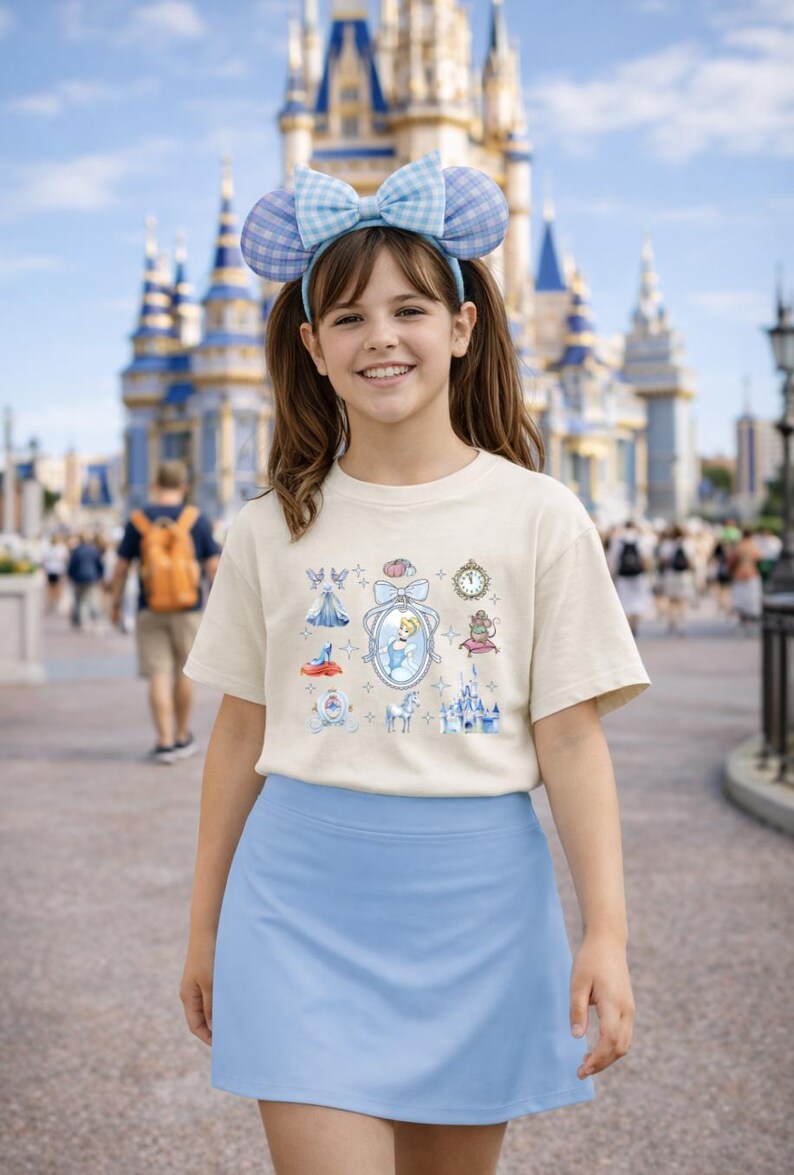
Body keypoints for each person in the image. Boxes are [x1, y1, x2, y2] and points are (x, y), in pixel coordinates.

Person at [178, 152, 651, 1174]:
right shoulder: (267, 528)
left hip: (476, 912)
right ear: (308, 345)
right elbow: (239, 734)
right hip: (295, 905)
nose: (380, 338)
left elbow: (568, 737)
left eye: (409, 310)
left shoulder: (539, 514)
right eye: (345, 317)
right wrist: (203, 926)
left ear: (462, 326)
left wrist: (603, 932)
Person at [110, 460, 220, 764]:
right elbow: (213, 567)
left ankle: (164, 741)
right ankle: (183, 736)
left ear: (156, 484)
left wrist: (116, 604)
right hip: (189, 609)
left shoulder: (138, 520)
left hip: (150, 608)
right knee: (184, 674)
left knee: (158, 675)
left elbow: (121, 568)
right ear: (184, 487)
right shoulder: (195, 520)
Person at [606, 520, 654, 637]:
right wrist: (649, 573)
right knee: (637, 600)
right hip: (638, 575)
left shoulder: (617, 541)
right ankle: (634, 624)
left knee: (625, 601)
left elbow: (613, 560)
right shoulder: (641, 540)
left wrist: (613, 575)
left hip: (623, 575)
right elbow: (646, 559)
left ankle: (627, 626)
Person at [657, 523, 695, 636]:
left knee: (672, 600)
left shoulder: (667, 545)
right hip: (684, 575)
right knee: (682, 600)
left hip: (671, 574)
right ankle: (682, 623)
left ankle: (672, 622)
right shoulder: (688, 544)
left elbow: (663, 560)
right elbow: (691, 561)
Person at [66, 531, 104, 629]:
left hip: (78, 578)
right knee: (90, 599)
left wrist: (70, 575)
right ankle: (93, 619)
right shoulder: (94, 550)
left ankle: (82, 621)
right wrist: (99, 575)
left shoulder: (77, 550)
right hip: (91, 578)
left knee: (79, 600)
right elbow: (100, 565)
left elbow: (72, 565)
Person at [728, 527, 763, 631]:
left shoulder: (738, 546)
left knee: (740, 596)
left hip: (739, 573)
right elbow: (759, 557)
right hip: (751, 573)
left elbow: (732, 560)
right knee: (751, 596)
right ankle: (749, 617)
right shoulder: (753, 545)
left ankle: (743, 617)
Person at [41, 534, 69, 614]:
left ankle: (52, 602)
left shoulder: (49, 549)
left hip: (52, 569)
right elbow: (65, 559)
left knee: (52, 587)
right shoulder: (61, 548)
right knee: (56, 587)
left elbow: (44, 560)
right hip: (57, 569)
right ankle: (54, 601)